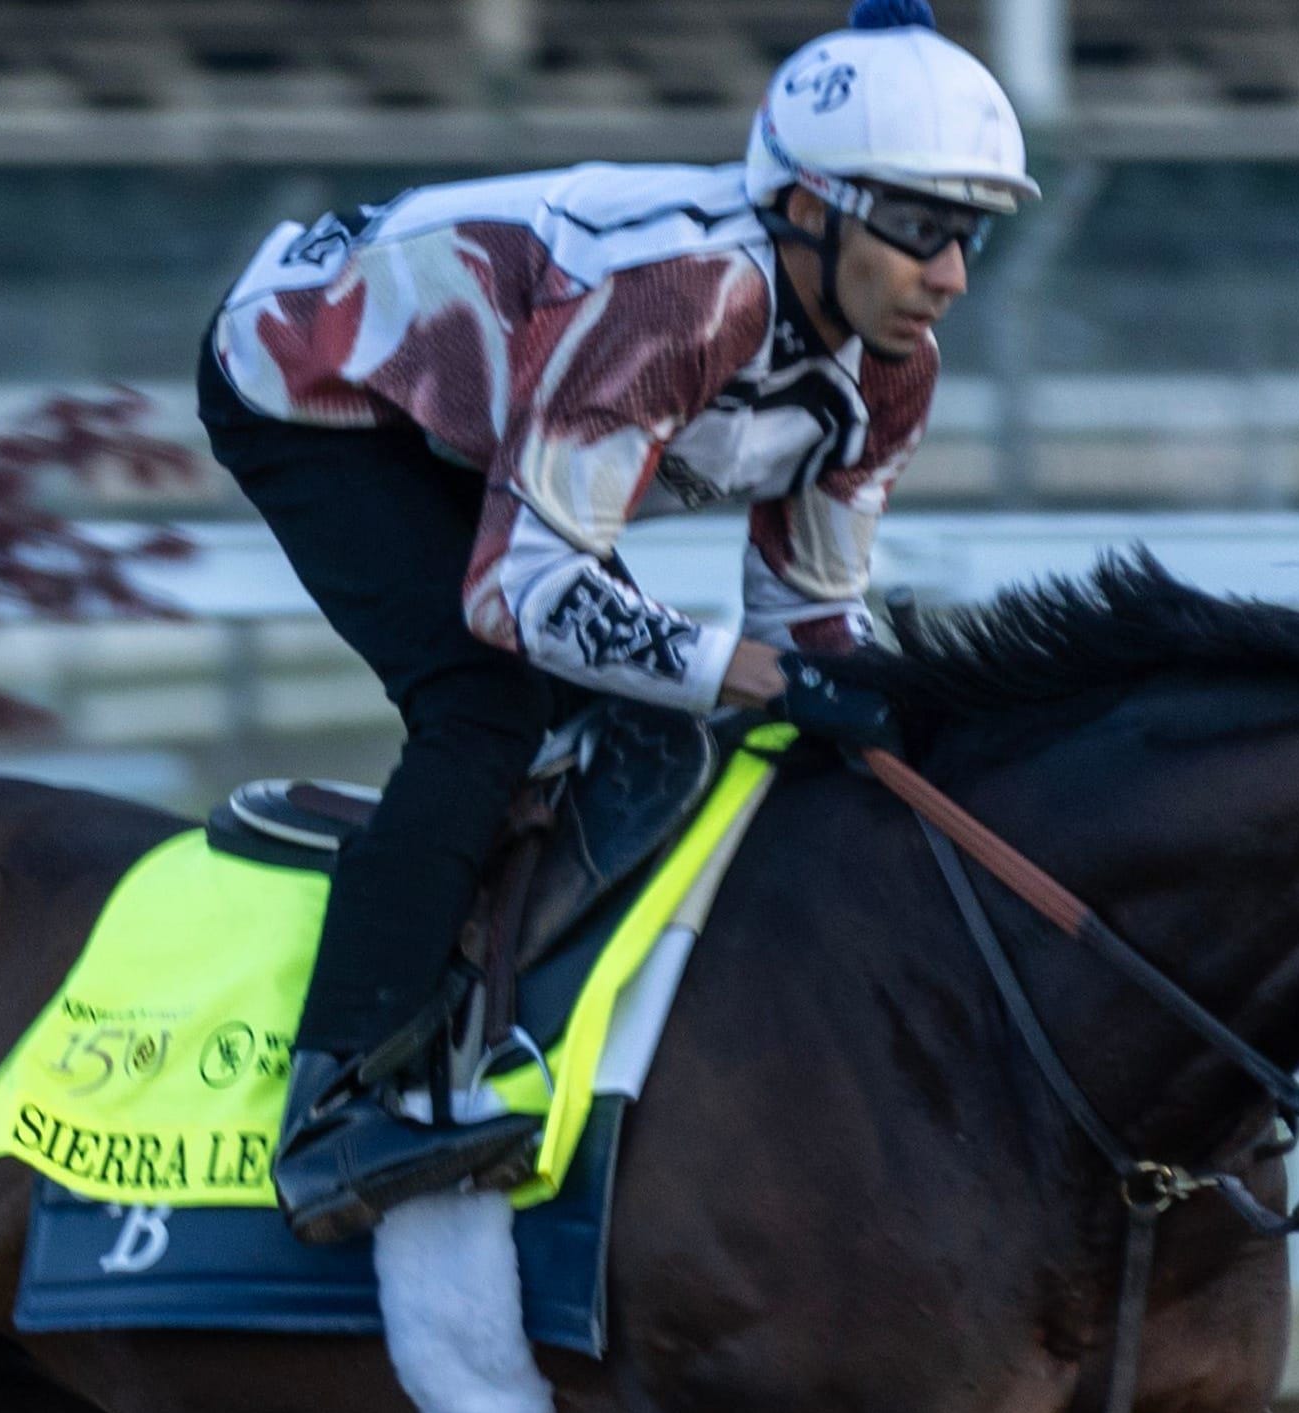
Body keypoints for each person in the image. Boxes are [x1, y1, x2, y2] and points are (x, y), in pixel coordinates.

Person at [198, 0, 1036, 1243]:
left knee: (675, 715)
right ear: (808, 208)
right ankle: (333, 1106)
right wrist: (745, 676)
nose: (951, 276)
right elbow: (518, 593)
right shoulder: (678, 301)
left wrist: (886, 715)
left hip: (477, 418)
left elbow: (808, 619)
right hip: (315, 389)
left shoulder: (892, 368)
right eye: (919, 231)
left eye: (966, 234)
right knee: (482, 707)